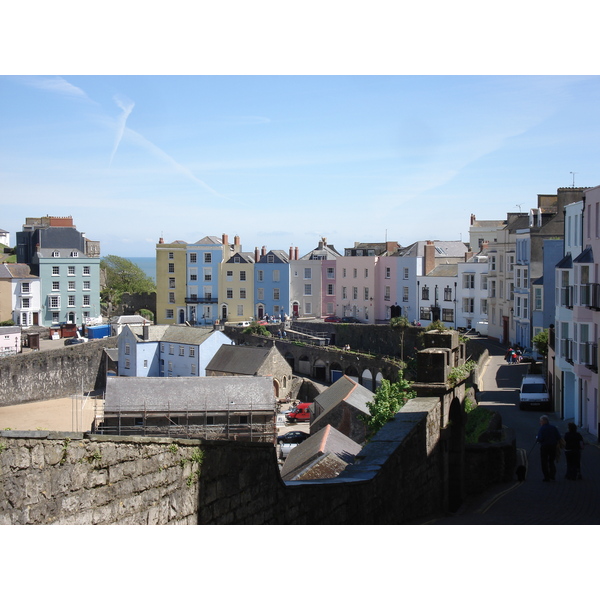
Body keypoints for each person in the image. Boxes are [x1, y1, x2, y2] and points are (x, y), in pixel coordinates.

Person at [536, 415, 562, 482]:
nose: (540, 422)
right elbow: (558, 437)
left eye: (541, 421)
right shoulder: (553, 428)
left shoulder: (542, 429)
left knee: (544, 462)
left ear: (544, 421)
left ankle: (546, 477)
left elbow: (540, 438)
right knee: (551, 461)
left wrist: (537, 439)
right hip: (553, 446)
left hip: (544, 447)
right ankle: (552, 475)